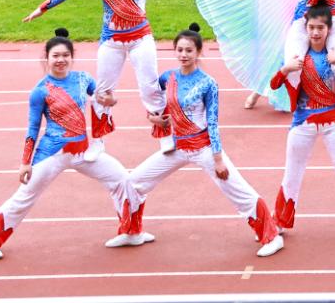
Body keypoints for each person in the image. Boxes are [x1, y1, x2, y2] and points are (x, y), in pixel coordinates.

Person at [23, 0, 224, 157]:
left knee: (150, 87)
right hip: (111, 40)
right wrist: (43, 8)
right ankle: (97, 141)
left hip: (141, 38)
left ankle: (165, 134)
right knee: (102, 91)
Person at [118, 24, 282, 257]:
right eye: (180, 50)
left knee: (238, 191)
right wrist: (157, 119)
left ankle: (271, 236)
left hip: (203, 147)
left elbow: (213, 122)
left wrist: (218, 159)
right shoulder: (168, 77)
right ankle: (133, 232)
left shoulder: (208, 83)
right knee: (133, 182)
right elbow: (158, 105)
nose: (184, 55)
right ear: (175, 51)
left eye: (189, 51)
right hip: (177, 147)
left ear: (198, 52)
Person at [0, 29, 138, 260]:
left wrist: (111, 100)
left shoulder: (84, 79)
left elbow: (104, 98)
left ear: (71, 57)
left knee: (122, 179)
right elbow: (33, 129)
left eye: (65, 55)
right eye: (56, 56)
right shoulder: (40, 91)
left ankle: (130, 231)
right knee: (25, 197)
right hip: (52, 153)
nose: (61, 60)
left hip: (84, 152)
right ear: (47, 58)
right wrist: (25, 163)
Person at [268, 3, 335, 244]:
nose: (315, 32)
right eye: (311, 28)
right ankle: (280, 223)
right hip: (303, 122)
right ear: (305, 29)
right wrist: (285, 70)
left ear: (329, 29)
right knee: (292, 174)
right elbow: (273, 85)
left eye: (320, 28)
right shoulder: (297, 57)